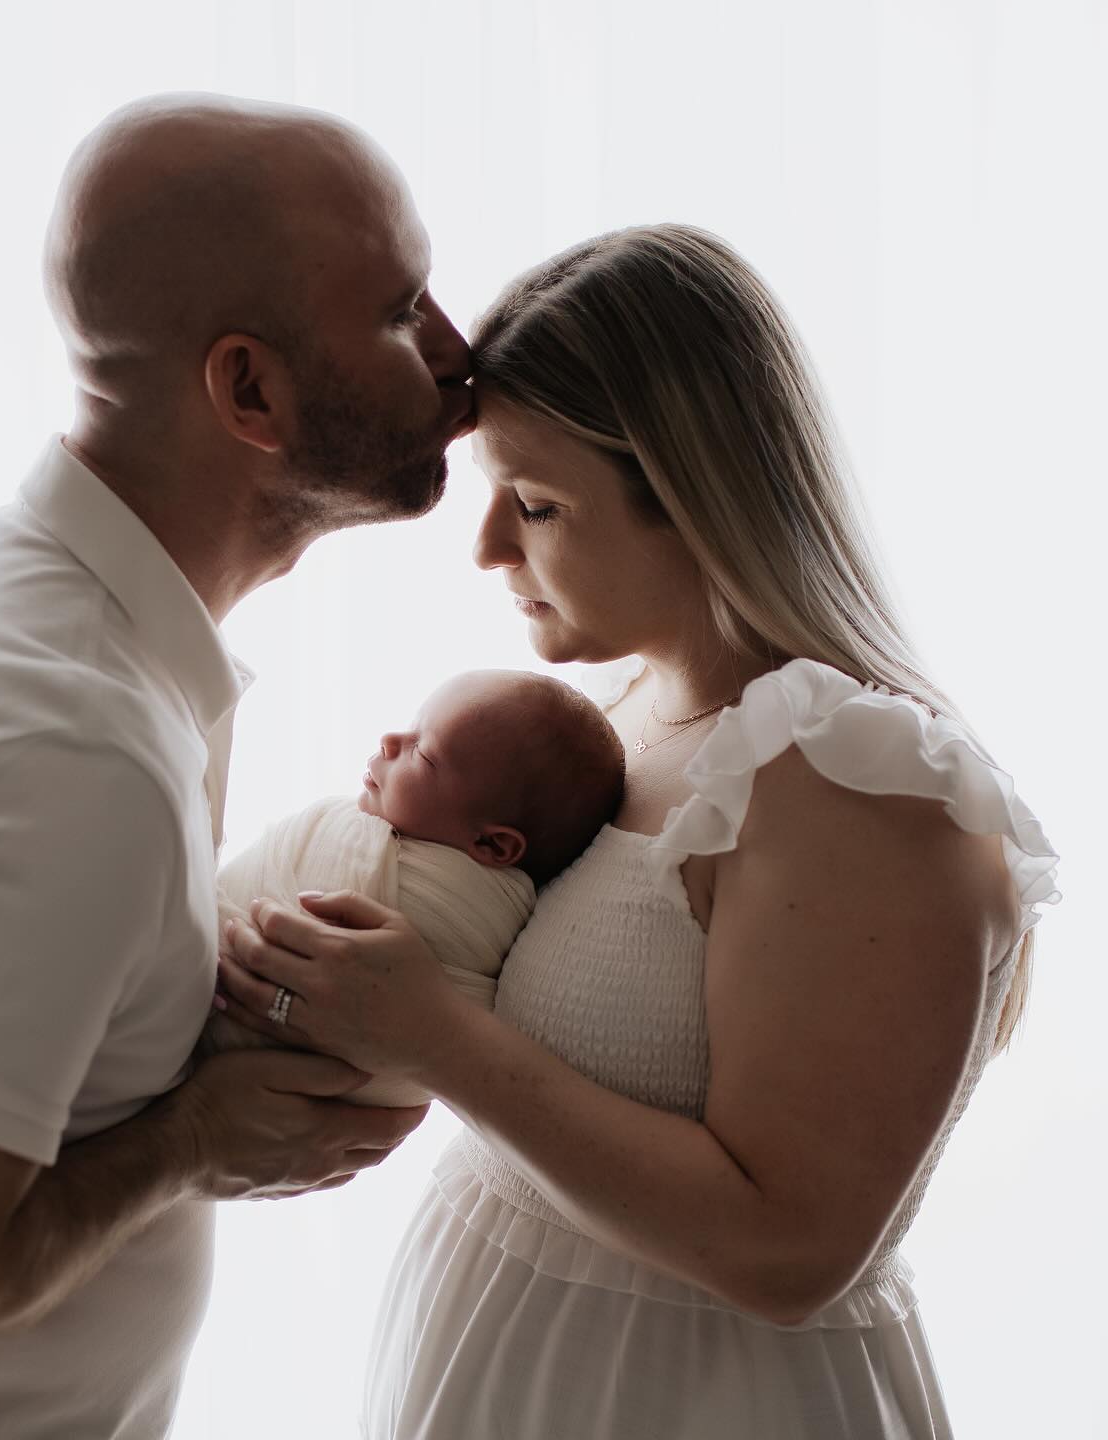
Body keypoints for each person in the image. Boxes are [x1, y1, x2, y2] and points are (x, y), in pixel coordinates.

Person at [0, 93, 474, 1440]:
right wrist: (194, 1141)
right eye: (404, 309)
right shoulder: (74, 748)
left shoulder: (61, 616)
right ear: (249, 390)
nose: (463, 355)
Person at [216, 224, 1062, 1439]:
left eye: (539, 504)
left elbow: (793, 1251)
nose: (489, 547)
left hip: (689, 1397)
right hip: (511, 1360)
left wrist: (433, 1037)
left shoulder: (853, 779)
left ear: (696, 497)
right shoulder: (620, 715)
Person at [200, 669, 625, 1105]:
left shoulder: (439, 901)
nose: (389, 740)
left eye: (423, 755)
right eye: (410, 726)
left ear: (491, 843)